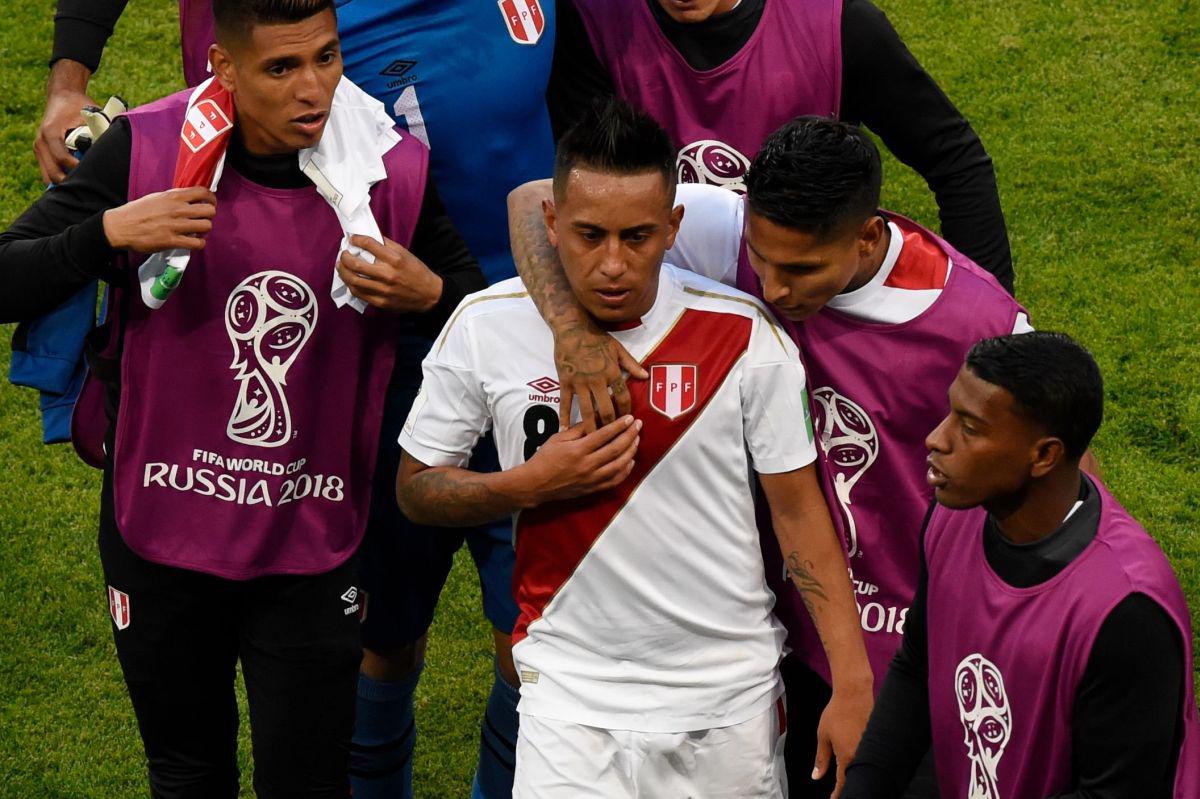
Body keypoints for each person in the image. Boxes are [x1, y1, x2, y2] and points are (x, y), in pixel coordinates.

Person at [36, 2, 558, 795]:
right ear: (224, 69)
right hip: (163, 530)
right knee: (185, 774)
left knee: (310, 779)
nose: (314, 89)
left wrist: (428, 295)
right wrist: (108, 232)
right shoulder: (145, 150)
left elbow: (469, 303)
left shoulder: (390, 169)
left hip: (310, 537)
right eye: (283, 68)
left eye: (327, 58)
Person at [507, 116, 1033, 795]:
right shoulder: (727, 229)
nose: (775, 290)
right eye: (763, 260)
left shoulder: (977, 322)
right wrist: (571, 330)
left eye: (802, 269)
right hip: (778, 636)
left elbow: (1058, 480)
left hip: (914, 647)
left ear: (867, 236)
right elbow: (531, 201)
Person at [399, 100, 873, 797]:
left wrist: (852, 680)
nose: (613, 263)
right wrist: (526, 484)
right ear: (552, 224)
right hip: (568, 701)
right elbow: (416, 488)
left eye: (639, 236)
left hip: (726, 704)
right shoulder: (483, 326)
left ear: (674, 227)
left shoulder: (745, 336)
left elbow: (800, 516)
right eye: (589, 235)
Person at [843, 332, 1199, 798]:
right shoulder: (953, 517)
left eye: (969, 428)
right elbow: (917, 665)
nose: (936, 438)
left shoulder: (1126, 612)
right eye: (950, 412)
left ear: (1044, 455)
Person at [546, 0, 1015, 292]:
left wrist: (986, 318)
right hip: (657, 313)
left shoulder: (838, 23)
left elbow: (956, 163)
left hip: (803, 308)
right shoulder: (590, 20)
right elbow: (573, 186)